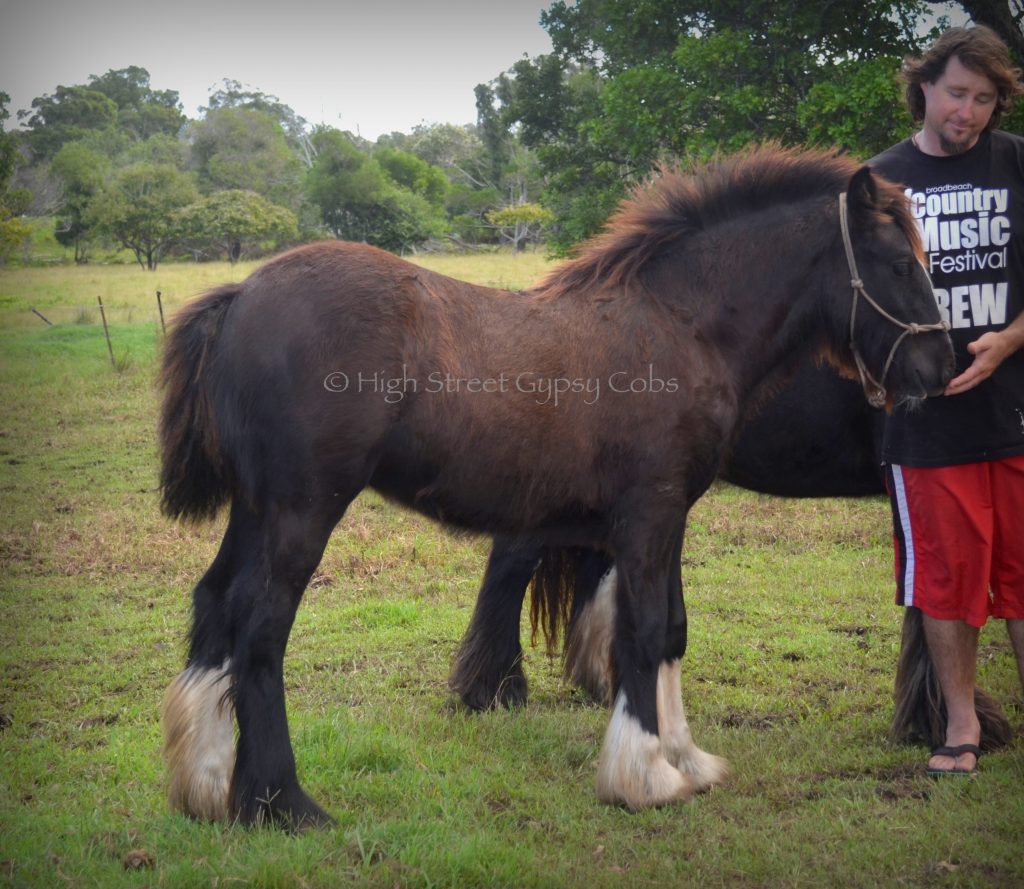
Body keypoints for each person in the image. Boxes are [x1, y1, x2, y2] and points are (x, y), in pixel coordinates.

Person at [869, 25, 1024, 776]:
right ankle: (959, 727)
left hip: (1019, 409)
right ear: (925, 86)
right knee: (944, 579)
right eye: (957, 93)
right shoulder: (878, 182)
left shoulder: (1019, 162)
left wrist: (1010, 339)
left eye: (985, 99)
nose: (968, 112)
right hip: (926, 418)